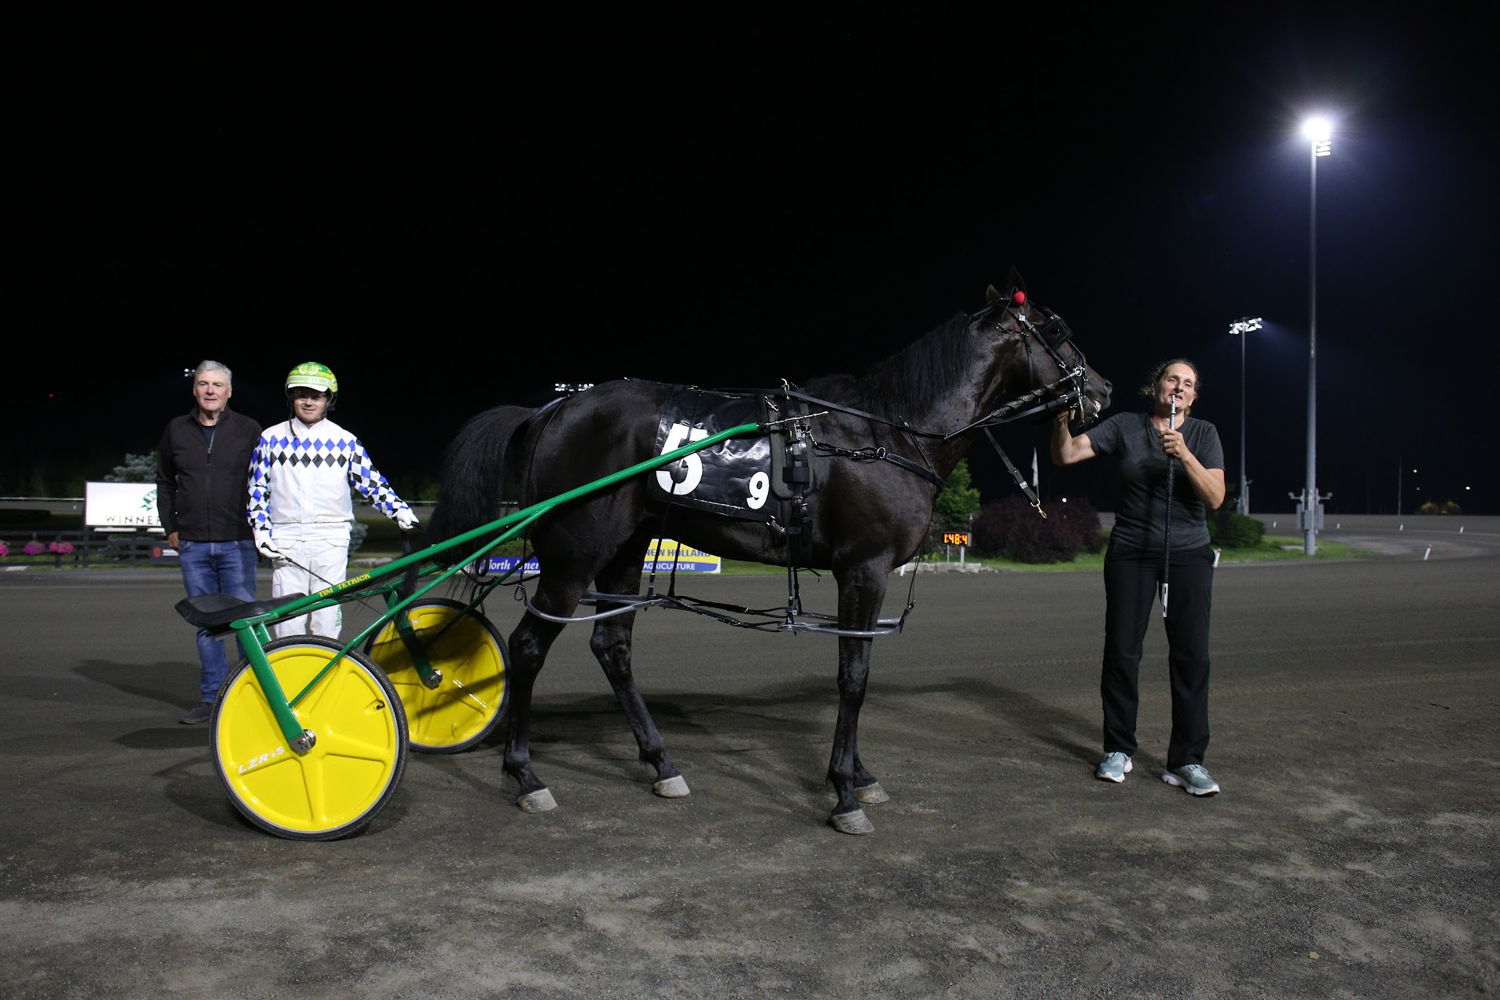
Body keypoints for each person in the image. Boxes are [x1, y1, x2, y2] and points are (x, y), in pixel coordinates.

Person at [1052, 358, 1227, 795]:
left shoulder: (1204, 434)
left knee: (1191, 658)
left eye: (1188, 383)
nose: (1179, 387)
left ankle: (1187, 760)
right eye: (1173, 379)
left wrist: (1183, 452)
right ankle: (1118, 749)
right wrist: (1060, 420)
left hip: (1187, 554)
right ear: (1156, 386)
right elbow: (1067, 453)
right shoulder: (1125, 426)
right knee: (1122, 652)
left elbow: (1216, 497)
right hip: (1131, 552)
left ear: (1193, 396)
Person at [247, 362, 419, 639]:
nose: (308, 401)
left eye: (316, 395)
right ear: (291, 397)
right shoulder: (270, 438)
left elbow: (372, 483)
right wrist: (260, 530)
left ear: (329, 399)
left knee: (326, 620)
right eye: (301, 394)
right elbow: (257, 488)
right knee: (286, 621)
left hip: (331, 539)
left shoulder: (345, 441)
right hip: (286, 540)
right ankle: (288, 678)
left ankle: (324, 678)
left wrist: (399, 510)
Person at [155, 360, 264, 725]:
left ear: (229, 391)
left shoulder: (248, 430)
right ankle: (211, 699)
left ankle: (254, 697)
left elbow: (264, 482)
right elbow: (165, 481)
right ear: (194, 389)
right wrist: (170, 526)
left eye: (217, 384)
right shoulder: (176, 430)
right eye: (203, 384)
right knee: (206, 625)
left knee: (243, 622)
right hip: (193, 545)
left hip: (238, 543)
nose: (210, 390)